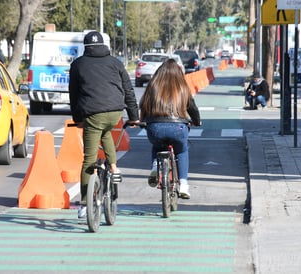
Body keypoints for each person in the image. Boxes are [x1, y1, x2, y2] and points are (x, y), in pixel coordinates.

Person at [68, 31, 140, 218]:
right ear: (104, 46)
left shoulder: (78, 65)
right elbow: (128, 90)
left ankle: (84, 203)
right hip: (115, 112)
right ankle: (114, 168)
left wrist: (78, 119)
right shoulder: (115, 63)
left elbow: (73, 95)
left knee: (88, 160)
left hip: (92, 114)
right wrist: (133, 116)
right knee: (106, 132)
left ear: (86, 47)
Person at [139, 59, 201, 199]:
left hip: (155, 127)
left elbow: (142, 105)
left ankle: (155, 167)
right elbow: (192, 107)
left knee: (157, 145)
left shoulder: (153, 85)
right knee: (182, 150)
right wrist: (197, 121)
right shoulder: (182, 87)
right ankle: (183, 184)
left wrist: (143, 122)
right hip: (178, 127)